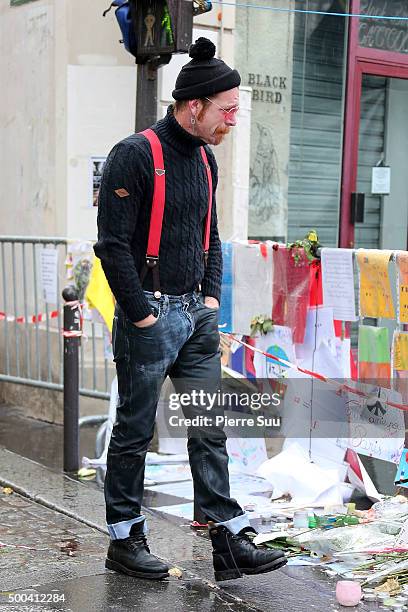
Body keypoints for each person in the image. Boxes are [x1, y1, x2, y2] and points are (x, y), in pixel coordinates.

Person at [94, 37, 286, 582]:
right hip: (149, 316)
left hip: (195, 318)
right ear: (194, 106)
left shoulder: (205, 160)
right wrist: (142, 316)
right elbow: (111, 246)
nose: (232, 122)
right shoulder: (134, 155)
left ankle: (228, 540)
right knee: (133, 432)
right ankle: (124, 540)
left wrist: (209, 300)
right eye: (226, 111)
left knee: (209, 425)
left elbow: (211, 236)